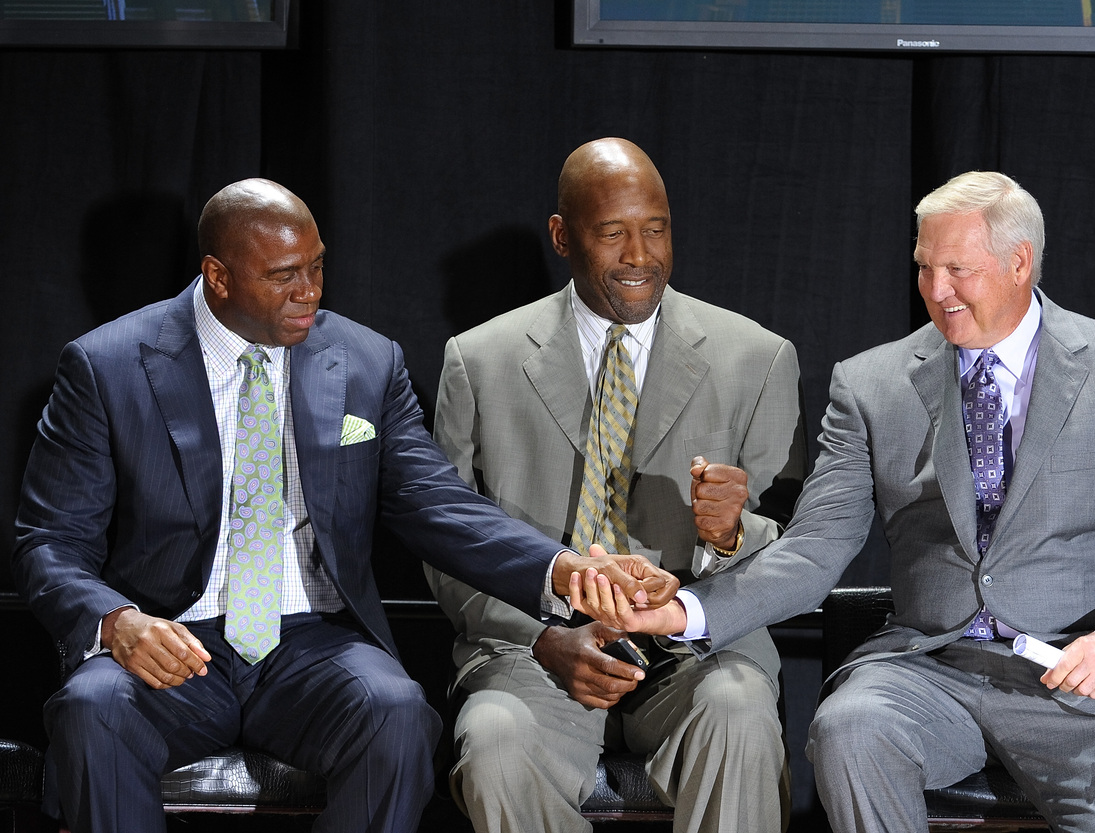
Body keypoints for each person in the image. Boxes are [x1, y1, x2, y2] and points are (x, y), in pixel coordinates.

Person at [11, 177, 675, 833]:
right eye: (285, 275)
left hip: (311, 641)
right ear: (218, 276)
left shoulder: (364, 360)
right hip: (172, 639)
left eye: (318, 265)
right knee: (91, 708)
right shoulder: (107, 367)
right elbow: (50, 541)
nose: (311, 291)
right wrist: (119, 621)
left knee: (397, 713)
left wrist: (566, 571)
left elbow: (437, 502)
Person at [576, 171, 1095, 832]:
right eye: (924, 267)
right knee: (848, 728)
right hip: (926, 670)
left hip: (1074, 681)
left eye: (958, 270)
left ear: (1019, 261)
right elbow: (816, 548)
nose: (936, 292)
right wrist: (685, 610)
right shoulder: (870, 384)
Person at [424, 137, 807, 833]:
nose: (640, 256)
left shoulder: (757, 358)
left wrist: (725, 537)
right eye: (613, 233)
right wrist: (542, 637)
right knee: (494, 741)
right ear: (562, 236)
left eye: (655, 230)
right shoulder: (478, 362)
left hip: (697, 650)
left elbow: (794, 550)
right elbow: (448, 539)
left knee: (741, 709)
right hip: (535, 651)